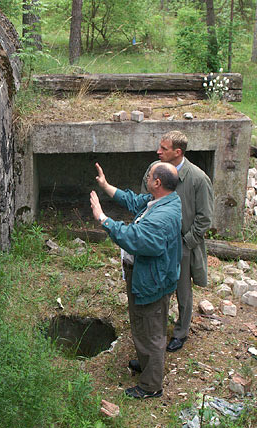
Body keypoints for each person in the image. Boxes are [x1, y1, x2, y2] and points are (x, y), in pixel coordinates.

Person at [90, 161, 182, 399]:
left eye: (149, 175)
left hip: (152, 281)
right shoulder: (163, 199)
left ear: (157, 182)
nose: (147, 177)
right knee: (142, 324)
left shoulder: (162, 217)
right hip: (146, 276)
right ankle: (146, 363)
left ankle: (151, 386)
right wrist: (106, 186)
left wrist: (102, 218)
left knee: (151, 332)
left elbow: (134, 239)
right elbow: (133, 201)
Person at [141, 130, 214, 352]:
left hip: (182, 245)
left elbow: (205, 218)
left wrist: (186, 243)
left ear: (177, 152)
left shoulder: (199, 179)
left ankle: (181, 332)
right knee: (157, 286)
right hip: (158, 241)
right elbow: (145, 197)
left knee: (183, 291)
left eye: (164, 148)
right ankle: (156, 331)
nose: (158, 151)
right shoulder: (154, 169)